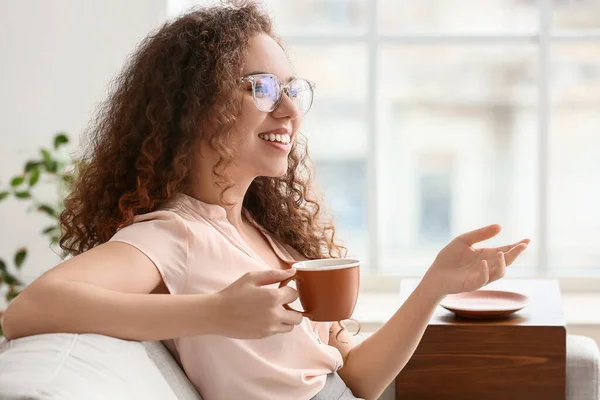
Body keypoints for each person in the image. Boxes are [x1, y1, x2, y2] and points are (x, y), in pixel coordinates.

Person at [0, 2, 530, 400]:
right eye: (259, 87)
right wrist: (215, 313)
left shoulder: (268, 232)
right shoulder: (174, 233)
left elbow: (361, 379)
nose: (287, 110)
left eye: (291, 90)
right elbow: (29, 309)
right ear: (194, 108)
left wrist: (434, 284)